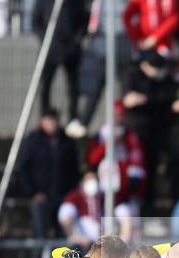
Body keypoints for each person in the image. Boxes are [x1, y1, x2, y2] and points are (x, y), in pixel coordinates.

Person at [123, 50, 176, 210]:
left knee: (151, 172)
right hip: (135, 134)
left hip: (155, 133)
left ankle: (148, 209)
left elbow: (164, 100)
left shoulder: (162, 81)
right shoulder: (132, 75)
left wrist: (145, 99)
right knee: (134, 172)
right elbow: (128, 99)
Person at [86, 101, 147, 240]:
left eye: (120, 114)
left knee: (129, 220)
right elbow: (92, 160)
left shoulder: (129, 136)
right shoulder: (100, 136)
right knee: (102, 224)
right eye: (115, 114)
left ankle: (127, 252)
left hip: (123, 191)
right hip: (103, 190)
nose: (117, 117)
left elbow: (137, 162)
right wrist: (109, 143)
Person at [16, 109, 80, 239]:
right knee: (40, 236)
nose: (53, 124)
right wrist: (33, 192)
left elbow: (74, 169)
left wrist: (70, 194)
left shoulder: (66, 142)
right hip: (41, 197)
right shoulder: (33, 141)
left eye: (54, 120)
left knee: (62, 236)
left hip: (62, 197)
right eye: (49, 120)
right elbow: (23, 169)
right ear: (42, 121)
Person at [75, 0, 134, 138]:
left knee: (126, 88)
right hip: (103, 48)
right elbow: (93, 18)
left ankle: (128, 123)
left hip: (122, 46)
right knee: (96, 88)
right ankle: (84, 122)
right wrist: (90, 32)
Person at [33, 0, 87, 131]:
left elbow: (84, 22)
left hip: (70, 52)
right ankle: (45, 117)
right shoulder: (43, 2)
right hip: (49, 51)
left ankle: (72, 118)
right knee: (45, 86)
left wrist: (75, 42)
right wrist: (47, 41)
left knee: (73, 87)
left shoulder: (75, 3)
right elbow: (36, 23)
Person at [59, 171, 105, 249]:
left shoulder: (104, 197)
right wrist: (74, 236)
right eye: (89, 179)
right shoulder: (74, 197)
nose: (93, 182)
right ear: (82, 182)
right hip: (82, 243)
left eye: (95, 179)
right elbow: (65, 218)